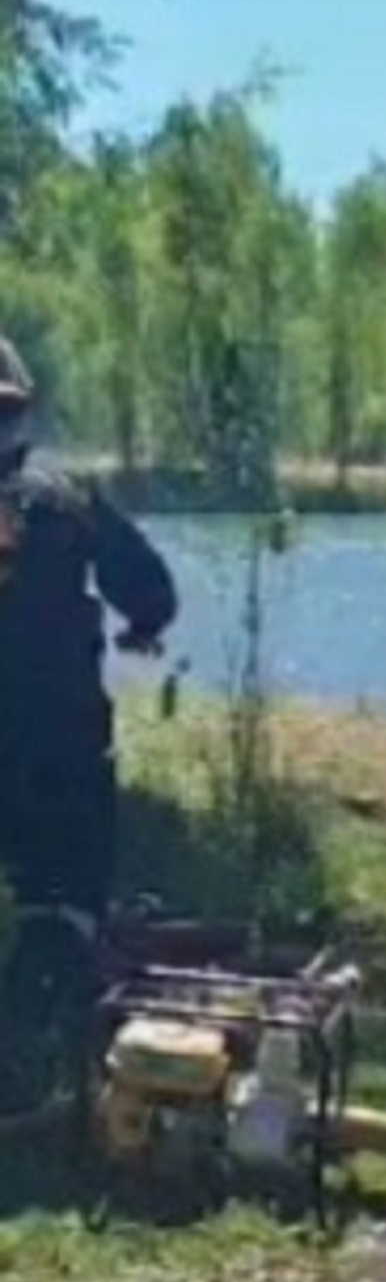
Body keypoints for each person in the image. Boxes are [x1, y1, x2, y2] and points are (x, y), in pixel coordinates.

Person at [0, 336, 177, 932]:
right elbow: (150, 589)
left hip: (51, 732)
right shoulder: (70, 493)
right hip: (63, 731)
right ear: (22, 410)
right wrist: (144, 626)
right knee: (69, 884)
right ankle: (64, 967)